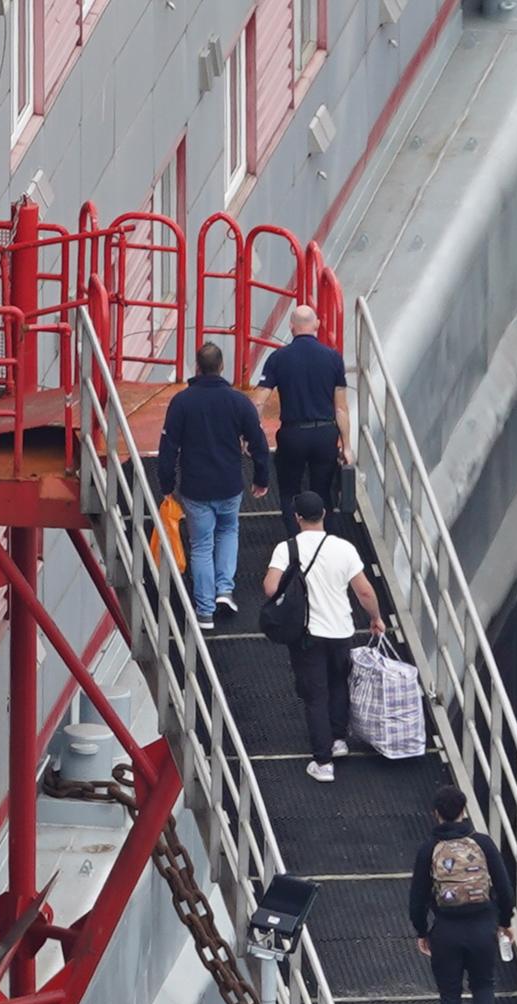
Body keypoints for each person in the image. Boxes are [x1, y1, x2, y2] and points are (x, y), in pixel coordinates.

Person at [261, 491, 384, 782]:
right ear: (324, 514)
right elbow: (364, 591)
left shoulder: (287, 548)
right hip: (341, 630)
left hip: (307, 633)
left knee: (315, 695)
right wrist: (375, 618)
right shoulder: (344, 548)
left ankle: (323, 761)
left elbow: (269, 587)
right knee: (338, 682)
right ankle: (338, 740)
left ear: (297, 518)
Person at [158, 342, 272, 630]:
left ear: (197, 367)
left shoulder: (181, 403)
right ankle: (225, 590)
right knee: (228, 531)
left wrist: (166, 484)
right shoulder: (238, 402)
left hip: (196, 488)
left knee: (200, 545)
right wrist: (261, 478)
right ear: (222, 367)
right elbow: (258, 442)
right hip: (230, 484)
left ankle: (205, 611)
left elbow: (168, 446)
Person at [408, 785, 515, 1004]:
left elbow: (417, 898)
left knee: (450, 991)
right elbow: (504, 888)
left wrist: (421, 931)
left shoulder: (428, 849)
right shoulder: (483, 843)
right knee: (483, 984)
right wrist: (504, 922)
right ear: (464, 811)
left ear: (436, 814)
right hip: (483, 927)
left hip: (446, 930)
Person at [257, 306, 350, 510]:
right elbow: (341, 408)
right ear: (316, 324)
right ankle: (323, 537)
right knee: (324, 494)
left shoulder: (278, 358)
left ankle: (294, 538)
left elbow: (259, 400)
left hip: (293, 434)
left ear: (291, 326)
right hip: (325, 434)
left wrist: (252, 433)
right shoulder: (333, 358)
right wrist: (347, 445)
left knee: (289, 493)